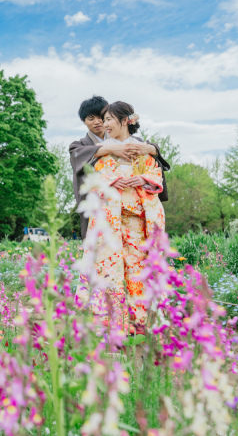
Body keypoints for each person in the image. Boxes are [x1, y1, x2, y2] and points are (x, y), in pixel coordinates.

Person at [89, 101, 166, 333]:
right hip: (109, 221)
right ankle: (111, 322)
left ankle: (138, 322)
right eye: (104, 120)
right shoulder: (104, 150)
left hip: (137, 219)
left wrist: (144, 179)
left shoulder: (142, 149)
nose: (105, 124)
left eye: (110, 119)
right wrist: (111, 180)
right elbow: (95, 179)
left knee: (136, 267)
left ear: (125, 121)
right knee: (109, 267)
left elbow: (156, 173)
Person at [69, 96, 169, 240]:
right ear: (83, 121)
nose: (98, 122)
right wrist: (111, 149)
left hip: (136, 207)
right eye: (91, 118)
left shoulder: (135, 142)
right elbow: (80, 158)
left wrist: (150, 148)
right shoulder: (80, 145)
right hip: (103, 206)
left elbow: (153, 161)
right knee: (101, 248)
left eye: (101, 118)